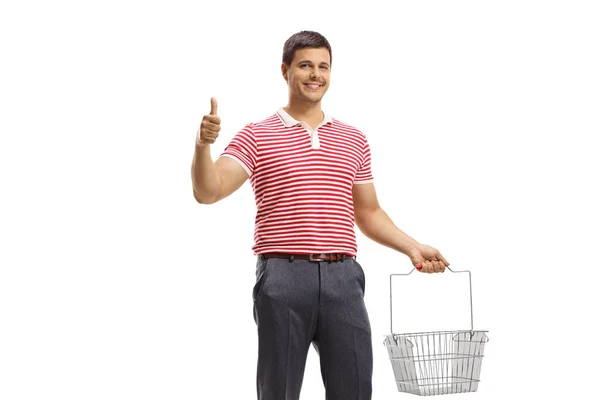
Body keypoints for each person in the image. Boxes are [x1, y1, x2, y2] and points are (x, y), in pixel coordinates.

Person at [191, 30, 449, 400]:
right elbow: (208, 190)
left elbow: (369, 210)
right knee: (278, 392)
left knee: (355, 390)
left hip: (344, 279)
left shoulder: (353, 138)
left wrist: (412, 247)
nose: (315, 75)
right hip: (282, 278)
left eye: (323, 67)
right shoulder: (257, 135)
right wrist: (203, 146)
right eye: (305, 65)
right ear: (285, 70)